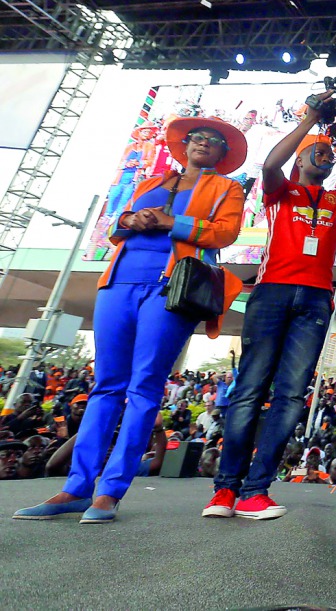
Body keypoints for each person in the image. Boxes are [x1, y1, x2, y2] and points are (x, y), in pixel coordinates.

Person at [14, 116, 245, 524]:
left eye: (213, 140)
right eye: (197, 137)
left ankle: (110, 491)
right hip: (118, 283)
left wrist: (171, 222)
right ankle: (75, 487)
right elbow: (116, 227)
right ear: (184, 144)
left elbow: (225, 234)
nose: (203, 142)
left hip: (170, 288)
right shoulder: (148, 183)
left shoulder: (226, 188)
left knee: (143, 388)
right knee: (105, 386)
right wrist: (131, 220)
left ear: (223, 154)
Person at [204, 94, 336, 521]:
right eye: (316, 152)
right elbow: (269, 165)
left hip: (316, 299)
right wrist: (311, 120)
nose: (326, 154)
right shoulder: (281, 191)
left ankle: (254, 491)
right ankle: (223, 491)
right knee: (249, 390)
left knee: (289, 396)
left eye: (330, 152)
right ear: (300, 160)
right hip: (272, 292)